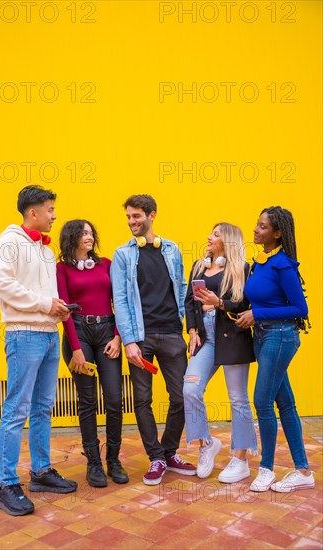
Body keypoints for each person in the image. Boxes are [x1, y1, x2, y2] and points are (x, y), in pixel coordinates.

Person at [0, 185, 78, 517]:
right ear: (33, 212)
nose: (54, 215)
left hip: (48, 334)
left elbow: (46, 294)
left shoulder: (43, 249)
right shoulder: (10, 241)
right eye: (50, 209)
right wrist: (45, 304)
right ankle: (6, 484)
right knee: (16, 410)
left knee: (42, 408)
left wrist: (59, 309)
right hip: (23, 335)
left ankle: (41, 471)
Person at [110, 194, 196, 485]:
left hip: (172, 334)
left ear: (152, 215)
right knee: (143, 400)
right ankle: (156, 457)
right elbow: (120, 300)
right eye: (129, 217)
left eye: (136, 216)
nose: (132, 222)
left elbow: (183, 288)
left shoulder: (171, 249)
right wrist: (129, 341)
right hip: (141, 338)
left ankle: (170, 452)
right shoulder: (122, 255)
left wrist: (188, 327)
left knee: (182, 396)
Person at [236, 206, 314, 493]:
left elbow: (300, 308)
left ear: (277, 233)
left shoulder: (283, 265)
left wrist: (258, 315)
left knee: (262, 401)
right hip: (263, 337)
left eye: (262, 227)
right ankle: (303, 470)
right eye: (257, 225)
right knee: (286, 404)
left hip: (280, 336)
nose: (256, 230)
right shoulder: (261, 262)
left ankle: (266, 468)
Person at [57, 219, 128, 488]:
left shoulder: (106, 264)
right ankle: (93, 463)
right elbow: (64, 311)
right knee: (87, 401)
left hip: (108, 332)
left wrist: (119, 337)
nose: (89, 236)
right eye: (84, 233)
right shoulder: (61, 269)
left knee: (114, 399)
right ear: (72, 237)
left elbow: (119, 302)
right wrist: (76, 349)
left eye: (91, 232)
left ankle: (114, 460)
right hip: (79, 333)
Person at [183, 223, 257, 483]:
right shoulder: (198, 266)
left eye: (215, 234)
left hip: (232, 337)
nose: (209, 237)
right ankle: (206, 443)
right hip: (206, 338)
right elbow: (189, 302)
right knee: (190, 389)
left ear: (228, 241)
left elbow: (246, 305)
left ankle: (241, 460)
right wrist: (192, 329)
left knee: (238, 399)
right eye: (210, 233)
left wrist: (219, 303)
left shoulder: (242, 269)